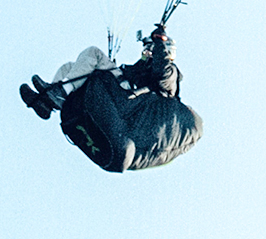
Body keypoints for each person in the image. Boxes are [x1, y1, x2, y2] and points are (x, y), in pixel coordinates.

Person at [19, 24, 202, 172]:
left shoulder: (170, 79)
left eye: (149, 49)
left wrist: (159, 42)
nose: (146, 52)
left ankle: (58, 93)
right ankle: (48, 102)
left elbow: (162, 70)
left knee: (94, 53)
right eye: (146, 48)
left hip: (126, 102)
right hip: (122, 98)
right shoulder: (138, 70)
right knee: (69, 68)